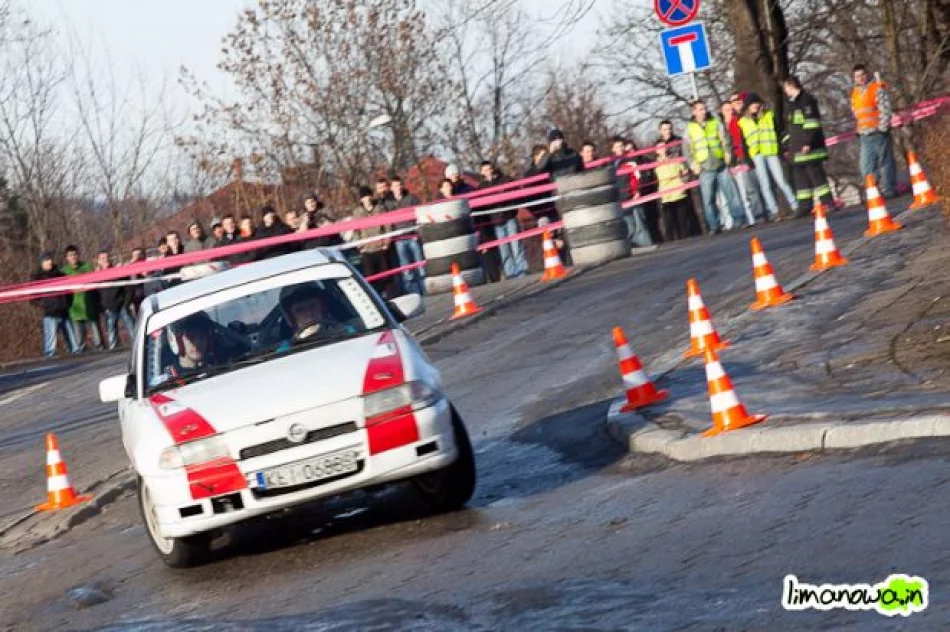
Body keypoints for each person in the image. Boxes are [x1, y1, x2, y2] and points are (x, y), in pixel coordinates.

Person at [684, 100, 746, 234]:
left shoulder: (715, 122)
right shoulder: (689, 128)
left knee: (732, 194)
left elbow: (725, 139)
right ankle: (714, 226)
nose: (703, 111)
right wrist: (693, 164)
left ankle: (739, 220)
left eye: (704, 108)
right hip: (704, 168)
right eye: (700, 109)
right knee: (709, 200)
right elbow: (687, 149)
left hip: (720, 164)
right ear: (694, 112)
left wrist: (728, 153)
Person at [739, 93, 798, 221]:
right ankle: (774, 211)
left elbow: (778, 133)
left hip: (771, 151)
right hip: (756, 155)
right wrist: (748, 160)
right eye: (752, 104)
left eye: (757, 103)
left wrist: (782, 150)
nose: (755, 105)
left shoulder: (768, 115)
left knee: (781, 180)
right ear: (747, 106)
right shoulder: (743, 122)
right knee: (765, 184)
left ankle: (795, 205)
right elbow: (744, 142)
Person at [782, 75, 833, 217]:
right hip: (796, 149)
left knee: (816, 176)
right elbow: (791, 128)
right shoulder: (791, 104)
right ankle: (804, 206)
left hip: (810, 148)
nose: (785, 91)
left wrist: (807, 143)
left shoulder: (807, 101)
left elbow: (812, 124)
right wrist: (786, 146)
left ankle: (828, 202)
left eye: (786, 87)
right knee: (800, 179)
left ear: (790, 86)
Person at [851, 64, 896, 198]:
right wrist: (858, 130)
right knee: (866, 167)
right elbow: (857, 113)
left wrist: (883, 128)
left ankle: (888, 190)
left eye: (862, 75)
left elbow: (885, 109)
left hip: (878, 132)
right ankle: (873, 192)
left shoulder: (876, 89)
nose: (860, 78)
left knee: (885, 163)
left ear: (867, 74)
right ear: (854, 78)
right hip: (864, 135)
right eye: (857, 76)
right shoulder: (855, 93)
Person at [480, 161, 527, 279]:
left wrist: (512, 206)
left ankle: (521, 272)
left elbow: (516, 191)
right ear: (482, 172)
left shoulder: (504, 179)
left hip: (509, 217)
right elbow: (482, 205)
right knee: (504, 249)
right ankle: (511, 274)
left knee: (516, 246)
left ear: (493, 169)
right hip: (496, 222)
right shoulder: (482, 187)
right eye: (485, 170)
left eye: (489, 169)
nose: (488, 172)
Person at [723, 94, 765, 225]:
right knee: (747, 189)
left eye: (738, 101)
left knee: (760, 185)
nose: (737, 103)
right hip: (741, 158)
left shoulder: (746, 117)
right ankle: (756, 216)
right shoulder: (732, 122)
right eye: (733, 102)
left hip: (753, 154)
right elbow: (732, 142)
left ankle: (766, 212)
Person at [31, 252, 76, 357]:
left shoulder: (60, 275)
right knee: (50, 347)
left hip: (64, 312)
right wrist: (45, 304)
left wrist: (67, 304)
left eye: (50, 259)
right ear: (41, 263)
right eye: (46, 260)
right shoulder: (37, 278)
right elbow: (33, 297)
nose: (49, 262)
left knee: (74, 345)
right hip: (50, 314)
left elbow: (69, 292)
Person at [352, 186, 394, 298]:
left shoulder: (380, 208)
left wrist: (386, 243)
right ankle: (377, 298)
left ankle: (390, 296)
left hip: (381, 247)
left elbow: (387, 226)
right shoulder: (357, 213)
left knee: (386, 275)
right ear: (361, 199)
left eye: (368, 195)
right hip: (367, 250)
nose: (367, 198)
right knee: (370, 277)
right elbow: (356, 231)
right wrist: (360, 247)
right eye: (364, 196)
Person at [61, 245, 103, 352]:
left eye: (75, 254)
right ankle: (82, 352)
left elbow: (94, 281)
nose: (73, 257)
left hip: (89, 304)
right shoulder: (64, 271)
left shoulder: (87, 267)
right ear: (67, 257)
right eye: (70, 255)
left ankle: (101, 349)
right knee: (79, 337)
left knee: (97, 334)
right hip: (75, 307)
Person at [389, 176, 425, 295]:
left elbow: (420, 214)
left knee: (420, 265)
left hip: (412, 236)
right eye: (395, 186)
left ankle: (426, 290)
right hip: (399, 239)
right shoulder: (389, 204)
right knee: (406, 269)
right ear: (391, 188)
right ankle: (413, 294)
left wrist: (418, 233)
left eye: (399, 185)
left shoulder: (411, 198)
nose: (398, 188)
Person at [94, 250, 135, 350]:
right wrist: (102, 307)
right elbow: (95, 294)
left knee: (132, 328)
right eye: (103, 258)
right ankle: (113, 349)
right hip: (108, 308)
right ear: (98, 261)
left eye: (107, 257)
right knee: (111, 331)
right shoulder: (96, 275)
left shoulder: (117, 271)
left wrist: (126, 303)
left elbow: (128, 287)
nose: (106, 260)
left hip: (122, 305)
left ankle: (138, 346)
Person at [654, 142, 692, 241]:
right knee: (669, 225)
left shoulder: (675, 159)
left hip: (679, 194)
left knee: (682, 222)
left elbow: (685, 172)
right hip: (666, 197)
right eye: (660, 147)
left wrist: (684, 182)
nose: (663, 149)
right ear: (656, 151)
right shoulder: (655, 165)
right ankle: (671, 246)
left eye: (664, 146)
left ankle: (686, 243)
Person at [166, 311, 218, 378]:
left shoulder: (219, 370)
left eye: (202, 336)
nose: (197, 342)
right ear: (177, 341)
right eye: (190, 336)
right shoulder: (167, 384)